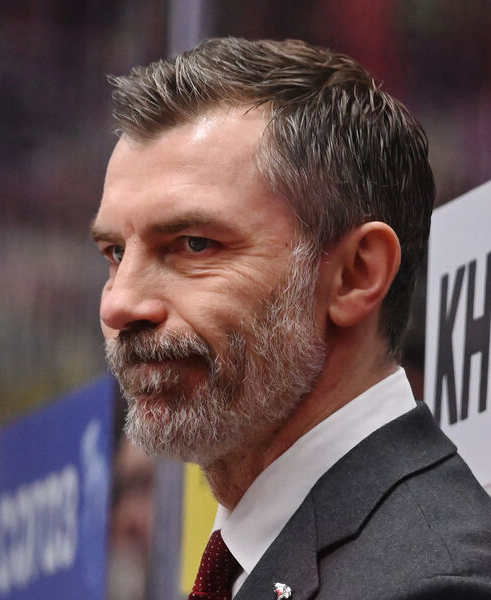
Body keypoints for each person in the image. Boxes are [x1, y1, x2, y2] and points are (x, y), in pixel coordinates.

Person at [92, 38, 491, 599]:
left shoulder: (432, 584)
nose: (119, 304)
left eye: (195, 244)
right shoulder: (257, 557)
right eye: (115, 253)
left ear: (356, 274)